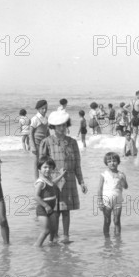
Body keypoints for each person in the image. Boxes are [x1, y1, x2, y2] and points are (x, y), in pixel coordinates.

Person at [39, 110, 88, 243]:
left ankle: (66, 236)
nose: (62, 128)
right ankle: (53, 236)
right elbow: (41, 164)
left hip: (69, 179)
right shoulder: (46, 142)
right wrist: (43, 182)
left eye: (64, 125)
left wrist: (81, 182)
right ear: (53, 127)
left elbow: (77, 163)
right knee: (54, 210)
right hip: (53, 180)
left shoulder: (72, 142)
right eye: (59, 125)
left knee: (66, 210)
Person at [33, 156, 66, 246]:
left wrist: (62, 175)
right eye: (45, 167)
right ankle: (36, 246)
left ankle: (51, 243)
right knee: (46, 230)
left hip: (51, 209)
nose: (48, 169)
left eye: (50, 167)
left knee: (53, 229)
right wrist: (46, 206)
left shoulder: (48, 179)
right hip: (43, 209)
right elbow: (36, 197)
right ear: (39, 168)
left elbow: (53, 183)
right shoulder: (40, 182)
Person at [97, 152, 128, 236]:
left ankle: (118, 239)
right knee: (107, 221)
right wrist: (100, 201)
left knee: (117, 220)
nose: (112, 163)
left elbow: (125, 187)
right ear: (106, 163)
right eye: (109, 161)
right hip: (106, 201)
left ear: (118, 162)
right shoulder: (104, 174)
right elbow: (100, 188)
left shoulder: (121, 174)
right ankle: (107, 240)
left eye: (114, 161)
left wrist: (122, 180)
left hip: (117, 201)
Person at [30, 100, 50, 179]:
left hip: (44, 144)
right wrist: (33, 146)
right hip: (37, 144)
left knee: (45, 162)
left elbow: (47, 132)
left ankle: (44, 178)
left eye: (46, 108)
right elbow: (30, 133)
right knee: (36, 163)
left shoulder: (46, 118)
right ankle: (36, 180)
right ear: (38, 109)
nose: (44, 110)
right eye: (42, 108)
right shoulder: (35, 119)